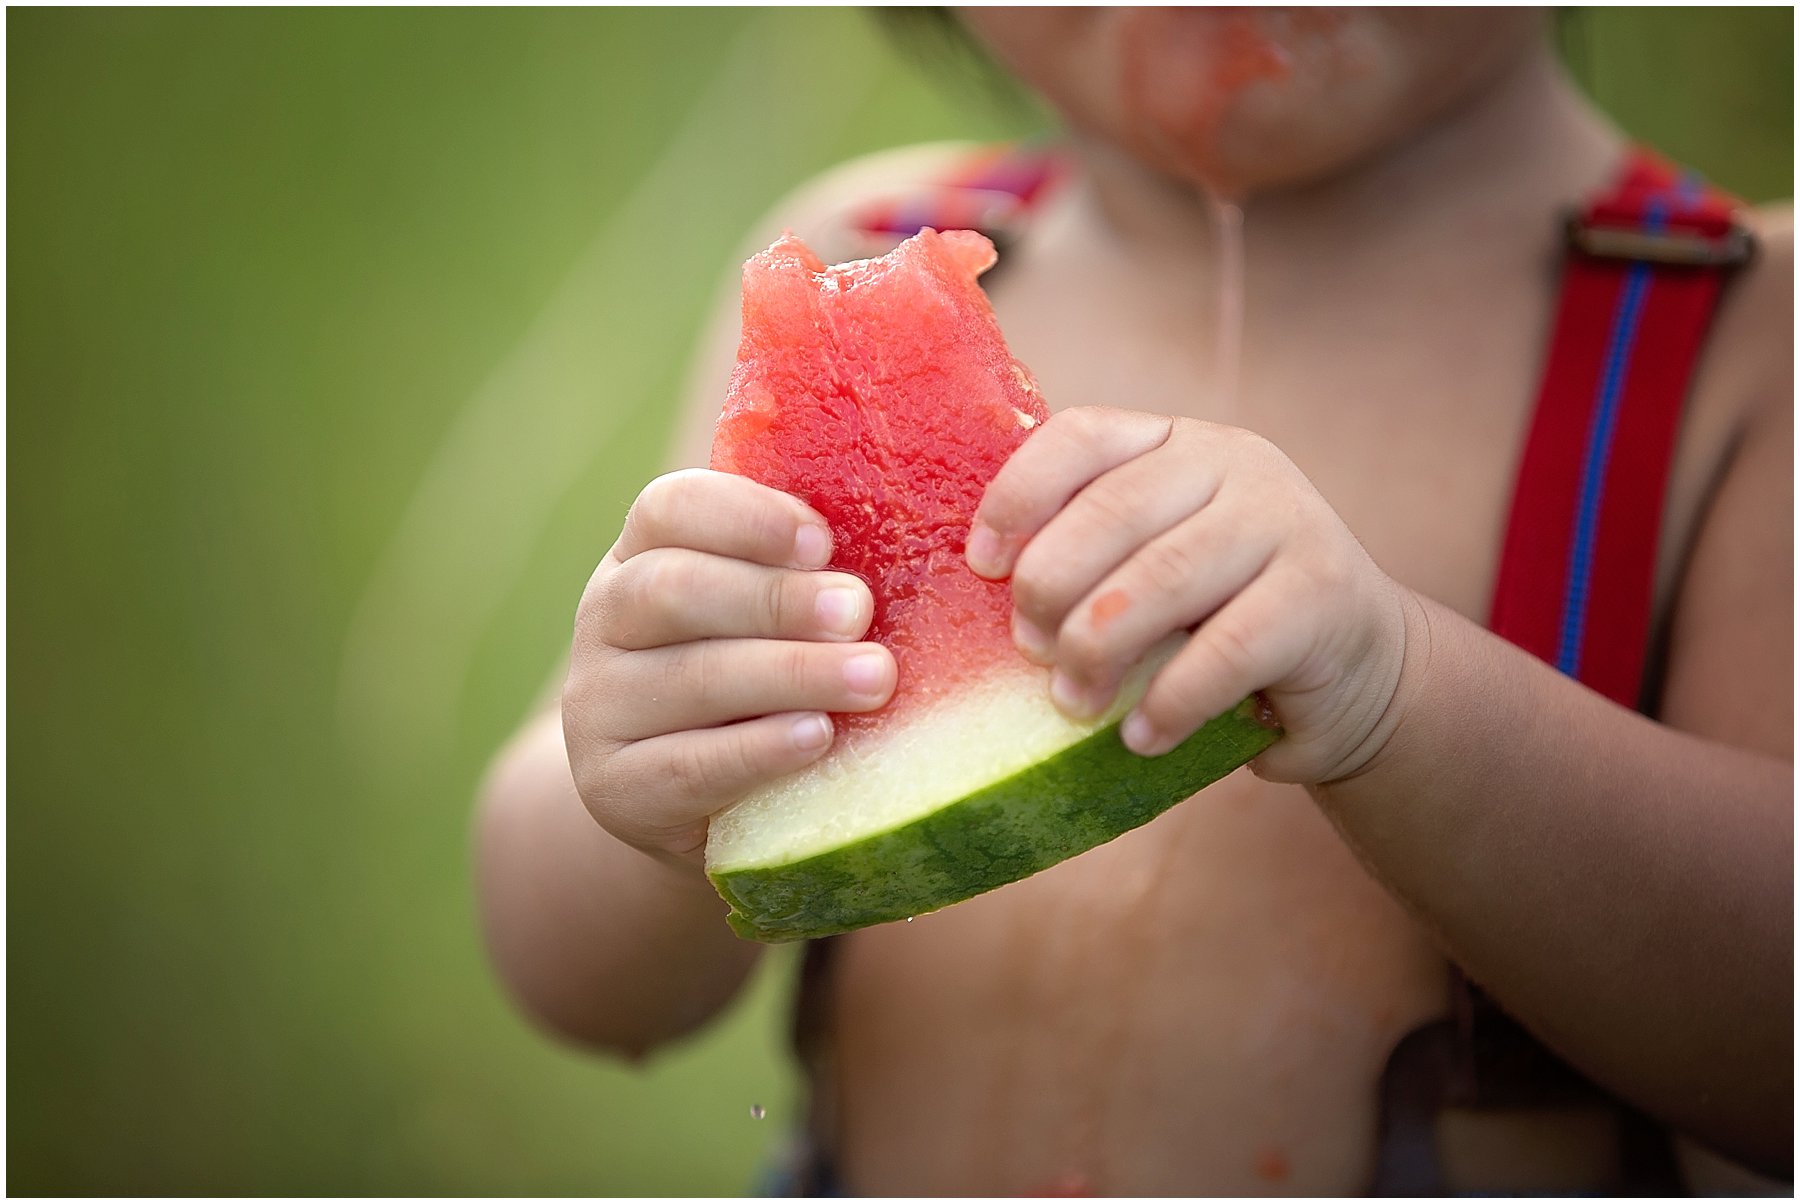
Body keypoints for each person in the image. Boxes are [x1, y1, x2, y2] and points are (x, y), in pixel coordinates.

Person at [475, 9, 1792, 1195]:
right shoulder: (848, 258)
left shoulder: (1746, 343)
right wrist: (646, 808)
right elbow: (579, 988)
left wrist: (1400, 695)